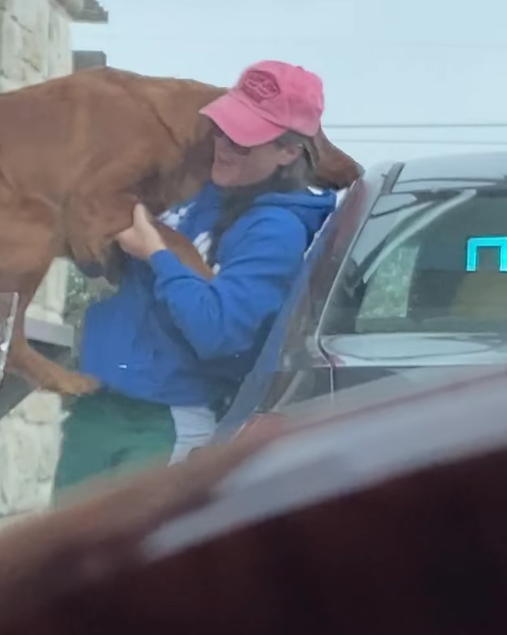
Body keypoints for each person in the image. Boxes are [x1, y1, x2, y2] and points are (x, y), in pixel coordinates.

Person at [52, 60, 337, 498]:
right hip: (101, 404)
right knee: (62, 561)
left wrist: (155, 254)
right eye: (223, 129)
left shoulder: (276, 230)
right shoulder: (191, 187)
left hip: (168, 418)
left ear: (288, 151)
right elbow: (101, 263)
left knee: (138, 561)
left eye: (243, 141)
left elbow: (219, 331)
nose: (224, 146)